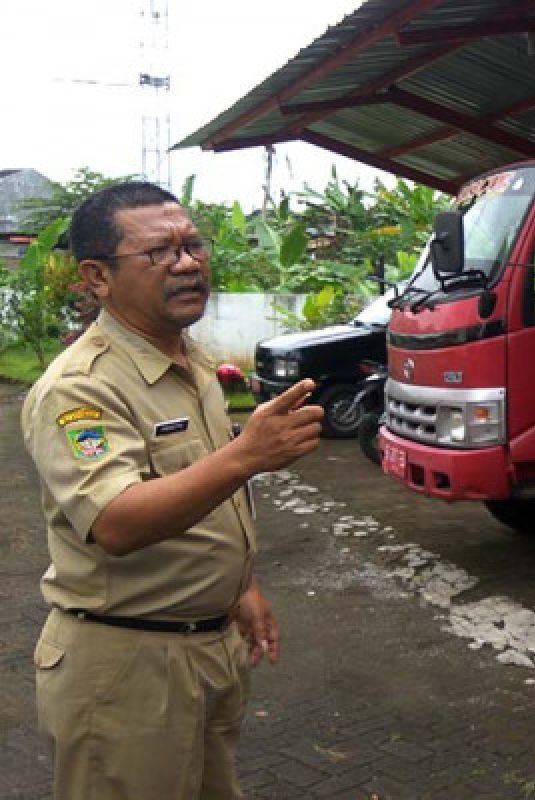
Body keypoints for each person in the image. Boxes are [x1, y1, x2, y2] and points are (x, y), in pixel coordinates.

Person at [20, 182, 324, 799]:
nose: (186, 263)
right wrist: (248, 454)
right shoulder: (80, 388)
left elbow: (208, 496)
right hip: (127, 669)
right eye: (158, 252)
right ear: (97, 277)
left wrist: (244, 585)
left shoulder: (194, 363)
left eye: (192, 245)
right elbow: (116, 522)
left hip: (207, 651)